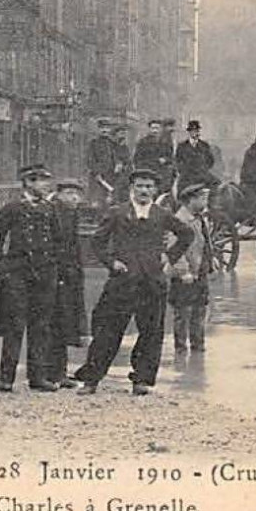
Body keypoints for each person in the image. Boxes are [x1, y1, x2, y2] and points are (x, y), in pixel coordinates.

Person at [73, 166, 193, 396]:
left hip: (152, 283)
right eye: (140, 186)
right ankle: (91, 380)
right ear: (132, 189)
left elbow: (187, 234)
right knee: (108, 331)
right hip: (122, 282)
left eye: (149, 187)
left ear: (155, 189)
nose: (144, 191)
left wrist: (169, 256)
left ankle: (141, 380)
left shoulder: (162, 214)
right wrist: (111, 263)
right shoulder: (117, 213)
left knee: (151, 332)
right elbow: (97, 242)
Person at [0, 164, 67, 391]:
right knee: (15, 326)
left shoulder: (50, 208)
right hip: (18, 274)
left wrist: (55, 268)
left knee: (41, 326)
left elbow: (59, 240)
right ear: (28, 182)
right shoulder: (12, 208)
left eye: (47, 180)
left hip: (45, 274)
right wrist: (2, 269)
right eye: (42, 181)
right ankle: (7, 378)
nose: (46, 185)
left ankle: (37, 377)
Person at [46, 178, 89, 385]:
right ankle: (50, 373)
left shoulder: (71, 214)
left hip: (70, 275)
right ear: (60, 194)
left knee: (64, 324)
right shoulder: (52, 212)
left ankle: (59, 372)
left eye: (77, 194)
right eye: (70, 193)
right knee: (54, 324)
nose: (74, 197)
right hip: (56, 275)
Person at [169, 181, 214, 354]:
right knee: (183, 312)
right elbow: (174, 249)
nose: (206, 202)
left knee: (200, 309)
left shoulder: (200, 218)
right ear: (191, 200)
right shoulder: (179, 220)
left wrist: (211, 260)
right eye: (203, 198)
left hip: (199, 271)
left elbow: (205, 242)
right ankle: (180, 349)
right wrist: (183, 272)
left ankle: (198, 347)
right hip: (186, 274)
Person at [173, 119, 218, 196]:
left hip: (202, 174)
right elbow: (178, 161)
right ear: (189, 132)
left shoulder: (204, 145)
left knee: (217, 185)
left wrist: (204, 169)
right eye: (192, 131)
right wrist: (184, 172)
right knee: (180, 190)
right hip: (187, 176)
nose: (195, 133)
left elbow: (210, 160)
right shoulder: (182, 146)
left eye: (197, 131)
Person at [133, 118, 176, 196]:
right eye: (153, 128)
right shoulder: (143, 142)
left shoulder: (165, 143)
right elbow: (137, 158)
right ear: (149, 129)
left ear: (160, 129)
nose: (155, 131)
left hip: (161, 174)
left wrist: (165, 160)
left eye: (157, 128)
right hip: (148, 172)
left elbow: (170, 157)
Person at [87, 120, 122, 208]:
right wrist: (96, 173)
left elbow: (117, 158)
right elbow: (90, 160)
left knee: (111, 200)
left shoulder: (113, 143)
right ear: (98, 129)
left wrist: (118, 164)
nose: (105, 130)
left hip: (111, 176)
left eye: (107, 128)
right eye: (102, 128)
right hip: (98, 177)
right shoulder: (93, 143)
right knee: (98, 201)